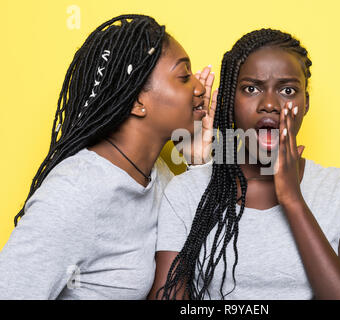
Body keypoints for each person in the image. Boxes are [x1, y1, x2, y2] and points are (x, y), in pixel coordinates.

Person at [149, 28, 340, 300]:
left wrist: (293, 201)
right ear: (229, 101)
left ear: (305, 103)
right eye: (251, 88)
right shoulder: (186, 191)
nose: (270, 104)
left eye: (287, 90)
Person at [0, 14, 216, 299]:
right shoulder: (75, 193)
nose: (200, 89)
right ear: (138, 101)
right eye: (184, 77)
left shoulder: (159, 176)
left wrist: (198, 164)